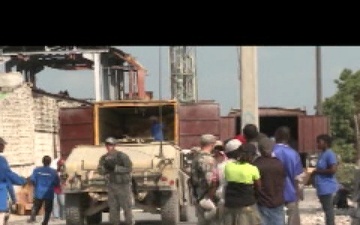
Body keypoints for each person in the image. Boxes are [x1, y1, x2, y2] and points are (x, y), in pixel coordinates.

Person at [223, 143, 262, 225]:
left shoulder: (228, 166)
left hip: (230, 204)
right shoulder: (253, 169)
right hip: (246, 204)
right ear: (252, 156)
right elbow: (258, 187)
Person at [97, 137, 134, 225]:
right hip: (112, 185)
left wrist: (115, 168)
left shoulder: (122, 156)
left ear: (114, 145)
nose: (108, 146)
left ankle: (129, 223)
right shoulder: (104, 158)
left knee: (127, 207)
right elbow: (100, 170)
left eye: (110, 145)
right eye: (107, 145)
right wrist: (104, 169)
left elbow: (129, 168)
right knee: (113, 208)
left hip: (123, 185)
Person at [272, 126, 303, 225]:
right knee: (292, 219)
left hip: (273, 193)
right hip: (290, 193)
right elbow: (298, 177)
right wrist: (298, 192)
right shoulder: (294, 154)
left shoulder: (271, 152)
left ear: (276, 136)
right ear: (288, 137)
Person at [253, 137, 286, 225]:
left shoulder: (256, 164)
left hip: (262, 202)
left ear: (259, 149)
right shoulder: (279, 163)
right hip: (277, 201)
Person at [189, 134, 218, 225]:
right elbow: (210, 180)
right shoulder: (207, 159)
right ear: (212, 144)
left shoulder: (196, 157)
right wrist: (211, 194)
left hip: (198, 194)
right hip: (206, 196)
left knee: (202, 221)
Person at [312, 134, 338, 225]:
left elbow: (333, 169)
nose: (317, 144)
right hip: (322, 188)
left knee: (329, 211)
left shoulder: (330, 154)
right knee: (326, 210)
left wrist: (317, 171)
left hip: (328, 188)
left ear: (326, 143)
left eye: (319, 142)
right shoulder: (321, 154)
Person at [0, 137, 27, 225]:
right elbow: (9, 176)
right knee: (2, 215)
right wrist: (23, 180)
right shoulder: (1, 161)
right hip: (1, 194)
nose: (4, 147)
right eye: (3, 145)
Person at [27, 155, 60, 225]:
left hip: (39, 192)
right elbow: (57, 183)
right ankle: (45, 222)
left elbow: (32, 180)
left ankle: (32, 218)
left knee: (36, 206)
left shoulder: (36, 170)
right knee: (48, 209)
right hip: (49, 193)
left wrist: (36, 186)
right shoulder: (53, 172)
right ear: (50, 162)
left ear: (42, 162)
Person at [50, 155, 65, 221]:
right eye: (60, 165)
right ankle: (56, 216)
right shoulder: (54, 172)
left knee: (63, 203)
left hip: (61, 189)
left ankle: (63, 216)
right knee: (54, 203)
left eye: (62, 166)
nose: (61, 167)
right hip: (54, 189)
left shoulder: (65, 173)